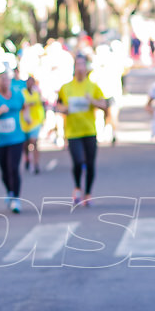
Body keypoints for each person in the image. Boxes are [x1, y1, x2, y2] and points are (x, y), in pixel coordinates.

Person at [56, 53, 108, 207]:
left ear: (86, 68)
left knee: (90, 164)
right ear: (74, 68)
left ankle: (88, 193)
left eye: (82, 65)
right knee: (78, 162)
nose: (80, 68)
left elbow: (104, 105)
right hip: (73, 132)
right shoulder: (66, 88)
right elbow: (58, 106)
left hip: (89, 130)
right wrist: (64, 109)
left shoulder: (93, 87)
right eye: (77, 65)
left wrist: (92, 101)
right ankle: (78, 187)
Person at [0, 69, 29, 214]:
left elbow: (25, 107)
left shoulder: (17, 95)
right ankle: (10, 191)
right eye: (2, 79)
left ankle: (16, 198)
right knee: (4, 170)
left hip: (17, 138)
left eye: (7, 79)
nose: (5, 82)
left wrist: (27, 117)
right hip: (0, 140)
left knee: (13, 167)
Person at [21, 76, 45, 174]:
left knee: (34, 142)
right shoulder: (22, 93)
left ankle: (36, 164)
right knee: (26, 144)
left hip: (35, 121)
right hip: (24, 122)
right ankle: (27, 158)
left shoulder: (37, 94)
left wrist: (42, 119)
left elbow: (40, 106)